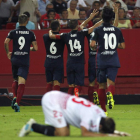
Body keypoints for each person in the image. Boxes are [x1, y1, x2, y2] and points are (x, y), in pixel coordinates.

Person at [19, 91, 131, 137]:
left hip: (63, 101)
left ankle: (34, 126)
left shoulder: (101, 113)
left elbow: (101, 127)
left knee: (66, 133)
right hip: (52, 101)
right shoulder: (89, 115)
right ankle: (32, 126)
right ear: (100, 126)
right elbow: (84, 132)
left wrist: (117, 133)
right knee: (62, 133)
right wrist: (106, 136)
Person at [49, 10, 102, 96]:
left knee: (70, 85)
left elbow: (52, 36)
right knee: (79, 84)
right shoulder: (81, 33)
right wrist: (97, 18)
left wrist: (50, 31)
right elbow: (94, 27)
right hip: (79, 63)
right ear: (77, 25)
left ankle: (69, 102)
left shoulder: (65, 35)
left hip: (70, 62)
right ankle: (76, 95)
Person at [80, 5, 119, 109]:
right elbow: (115, 26)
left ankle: (92, 103)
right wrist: (111, 15)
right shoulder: (100, 30)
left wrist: (90, 18)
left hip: (93, 59)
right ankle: (103, 97)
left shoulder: (90, 32)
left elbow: (81, 27)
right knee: (104, 82)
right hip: (102, 57)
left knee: (92, 82)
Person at [90, 6, 125, 114]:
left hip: (101, 60)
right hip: (113, 59)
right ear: (112, 17)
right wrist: (113, 46)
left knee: (101, 85)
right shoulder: (117, 30)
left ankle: (103, 111)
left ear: (102, 16)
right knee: (111, 83)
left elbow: (92, 44)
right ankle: (110, 93)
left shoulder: (98, 29)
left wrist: (95, 46)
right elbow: (123, 46)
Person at [4, 14, 38, 112]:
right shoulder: (31, 33)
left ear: (18, 21)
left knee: (15, 80)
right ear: (27, 22)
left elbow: (6, 42)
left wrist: (7, 53)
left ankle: (14, 96)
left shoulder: (13, 32)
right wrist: (28, 48)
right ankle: (17, 103)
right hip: (24, 59)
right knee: (22, 82)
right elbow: (35, 48)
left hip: (14, 58)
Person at [43, 20, 65, 92]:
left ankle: (47, 101)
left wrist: (50, 31)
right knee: (57, 83)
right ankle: (55, 101)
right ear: (58, 27)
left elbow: (49, 35)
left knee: (49, 83)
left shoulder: (45, 36)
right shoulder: (62, 37)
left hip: (48, 62)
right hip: (58, 62)